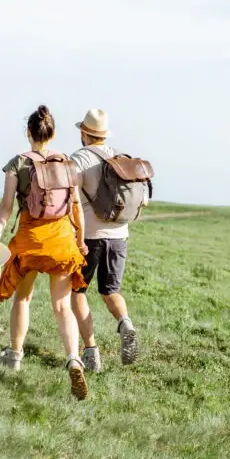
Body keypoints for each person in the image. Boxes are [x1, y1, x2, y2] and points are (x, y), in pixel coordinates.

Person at [0, 105, 91, 400]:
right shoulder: (67, 163)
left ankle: (15, 354)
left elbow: (5, 207)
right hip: (62, 240)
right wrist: (80, 240)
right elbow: (76, 206)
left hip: (30, 240)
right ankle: (73, 359)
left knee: (23, 297)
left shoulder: (18, 163)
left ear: (28, 133)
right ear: (52, 135)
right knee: (62, 307)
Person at [69, 108, 139, 373]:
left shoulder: (79, 159)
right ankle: (125, 323)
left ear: (84, 133)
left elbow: (71, 199)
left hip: (89, 237)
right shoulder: (117, 158)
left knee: (78, 291)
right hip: (119, 236)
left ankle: (91, 351)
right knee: (111, 291)